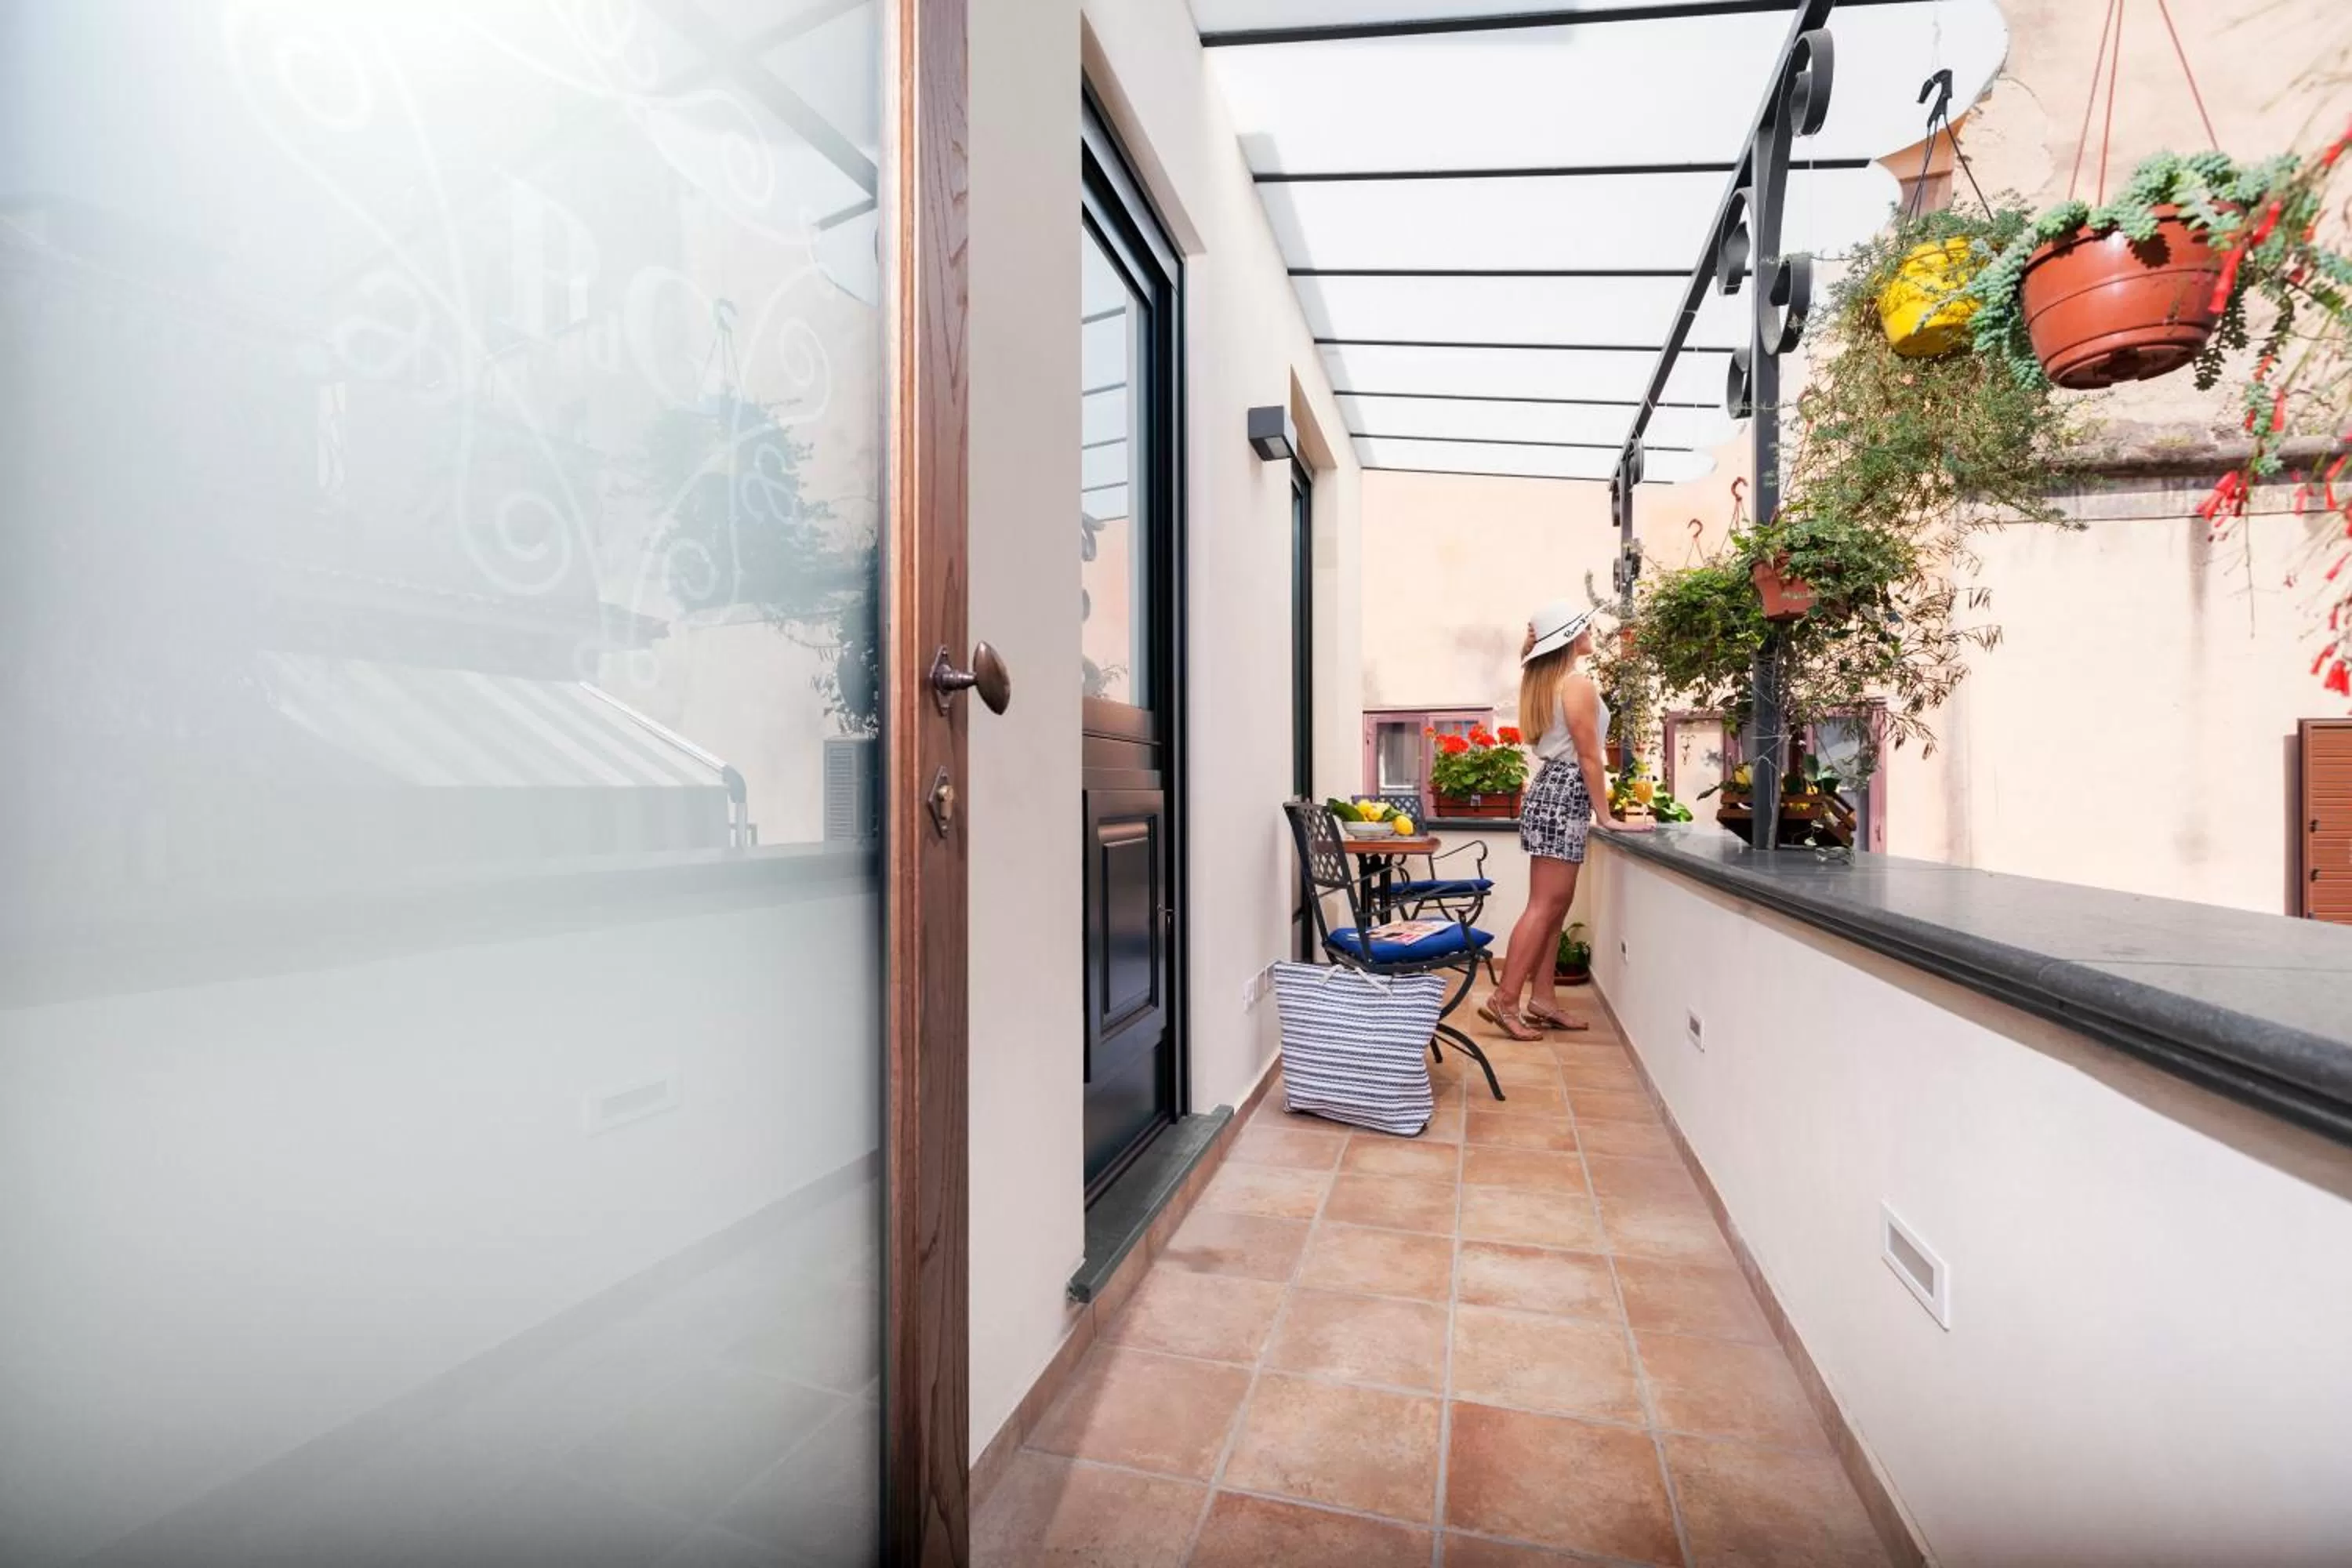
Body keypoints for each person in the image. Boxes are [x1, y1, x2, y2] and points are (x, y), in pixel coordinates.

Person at [1481, 601, 1652, 1040]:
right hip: (1565, 794)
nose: (1590, 630)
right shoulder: (1575, 685)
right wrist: (1608, 817)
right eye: (1584, 626)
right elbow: (1591, 757)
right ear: (1569, 637)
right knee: (1545, 905)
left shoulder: (1549, 682)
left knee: (1554, 907)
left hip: (1552, 792)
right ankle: (1504, 999)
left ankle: (1543, 999)